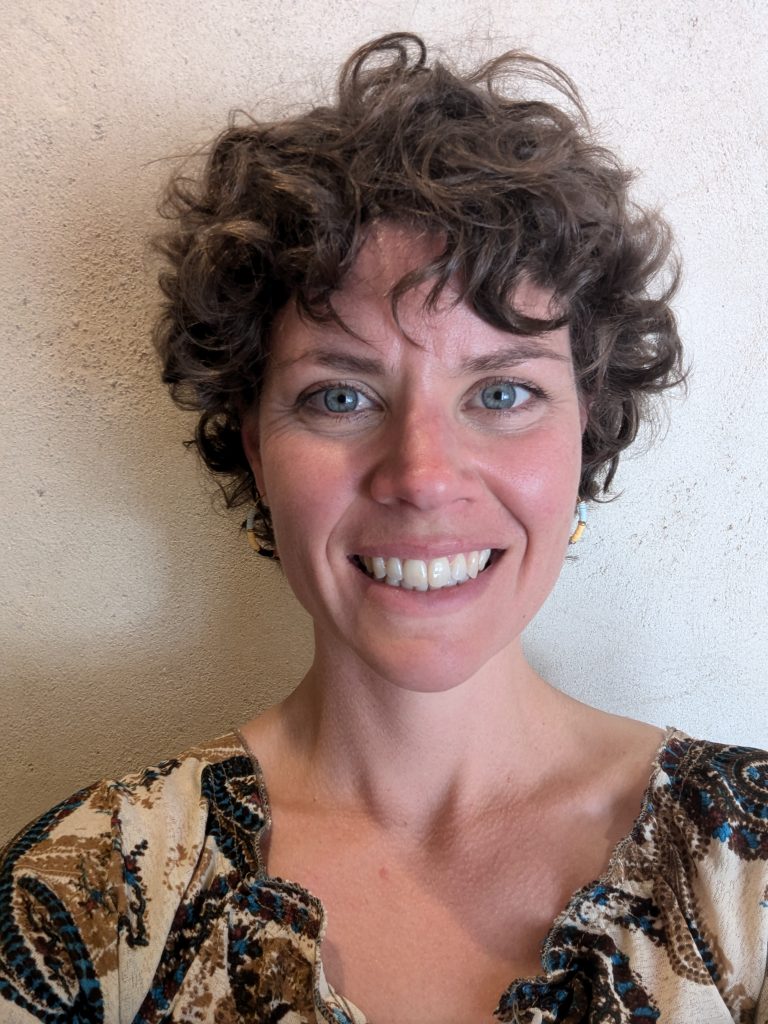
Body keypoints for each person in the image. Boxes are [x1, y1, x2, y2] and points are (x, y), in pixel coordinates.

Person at [0, 31, 766, 1024]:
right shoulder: (78, 899)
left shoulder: (750, 870)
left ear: (591, 430)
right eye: (337, 397)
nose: (422, 476)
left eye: (500, 390)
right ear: (254, 446)